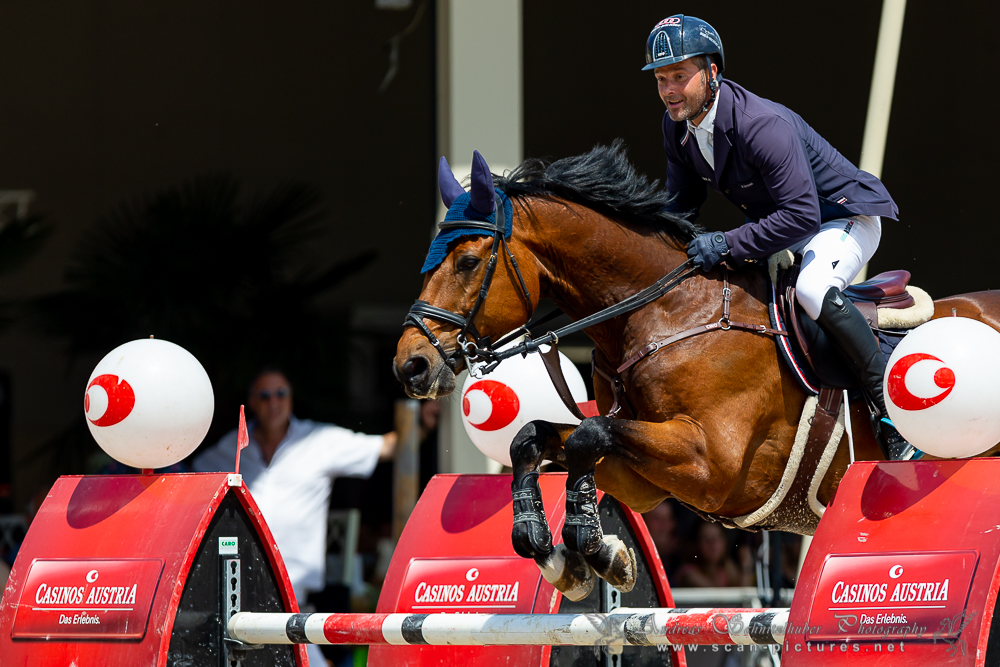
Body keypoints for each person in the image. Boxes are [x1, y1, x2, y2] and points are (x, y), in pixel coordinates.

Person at [643, 15, 918, 461]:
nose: (670, 90)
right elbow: (680, 204)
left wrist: (728, 244)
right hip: (789, 229)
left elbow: (802, 213)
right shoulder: (676, 127)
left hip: (841, 218)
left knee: (812, 288)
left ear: (713, 72)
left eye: (679, 75)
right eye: (660, 79)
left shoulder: (760, 124)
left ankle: (892, 410)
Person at [193, 368, 397, 667]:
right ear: (251, 402)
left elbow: (386, 447)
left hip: (295, 604)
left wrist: (424, 418)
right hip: (239, 601)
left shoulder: (318, 440)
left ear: (291, 400)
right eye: (264, 395)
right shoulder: (232, 446)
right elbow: (189, 472)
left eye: (280, 394)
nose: (273, 402)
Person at [673, 521, 753, 588]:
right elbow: (718, 597)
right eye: (706, 538)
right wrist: (745, 569)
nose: (713, 543)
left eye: (718, 537)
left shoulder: (724, 569)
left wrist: (745, 565)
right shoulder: (688, 574)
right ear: (695, 544)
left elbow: (743, 595)